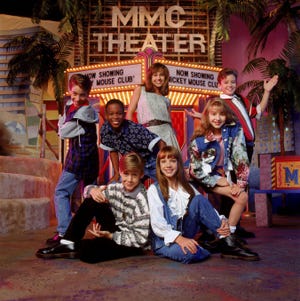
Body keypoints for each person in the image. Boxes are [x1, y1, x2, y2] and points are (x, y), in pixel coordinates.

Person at [147, 145, 259, 263]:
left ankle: (227, 241)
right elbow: (157, 224)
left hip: (186, 231)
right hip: (165, 240)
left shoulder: (186, 186)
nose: (168, 165)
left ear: (178, 164)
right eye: (163, 162)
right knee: (191, 254)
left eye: (172, 161)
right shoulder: (154, 189)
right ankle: (207, 247)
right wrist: (180, 239)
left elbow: (204, 206)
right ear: (159, 166)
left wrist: (221, 221)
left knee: (198, 199)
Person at [36, 152, 150, 263]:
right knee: (93, 199)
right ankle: (67, 242)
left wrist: (110, 236)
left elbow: (140, 238)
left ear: (141, 175)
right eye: (126, 174)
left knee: (89, 255)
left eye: (134, 175)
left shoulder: (142, 200)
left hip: (133, 243)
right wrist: (93, 190)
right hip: (116, 230)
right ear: (120, 172)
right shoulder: (117, 188)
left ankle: (79, 247)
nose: (129, 179)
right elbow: (87, 191)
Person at [189, 98, 254, 242]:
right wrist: (217, 180)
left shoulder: (234, 131)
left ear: (226, 115)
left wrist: (240, 183)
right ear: (207, 116)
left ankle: (227, 235)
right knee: (215, 205)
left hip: (226, 176)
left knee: (242, 196)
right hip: (204, 178)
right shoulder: (199, 139)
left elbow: (241, 157)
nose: (217, 118)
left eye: (221, 114)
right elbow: (195, 170)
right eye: (213, 114)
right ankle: (224, 236)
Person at [46, 74, 99, 246]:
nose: (77, 98)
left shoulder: (86, 112)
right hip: (80, 155)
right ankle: (71, 233)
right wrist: (64, 121)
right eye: (74, 94)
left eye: (82, 95)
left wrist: (63, 123)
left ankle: (65, 234)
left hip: (81, 158)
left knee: (62, 192)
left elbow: (63, 132)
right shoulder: (71, 106)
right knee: (89, 195)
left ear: (88, 94)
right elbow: (65, 127)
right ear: (69, 90)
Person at [100, 98, 166, 183]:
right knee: (116, 186)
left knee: (167, 188)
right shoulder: (105, 130)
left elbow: (161, 143)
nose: (115, 117)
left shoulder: (134, 129)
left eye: (119, 114)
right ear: (106, 115)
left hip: (152, 161)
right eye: (111, 114)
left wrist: (163, 163)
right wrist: (116, 173)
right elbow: (113, 151)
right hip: (134, 165)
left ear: (124, 115)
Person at [126, 62, 180, 150]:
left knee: (169, 162)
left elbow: (170, 122)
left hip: (167, 134)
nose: (158, 78)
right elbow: (129, 114)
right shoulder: (140, 89)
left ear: (165, 78)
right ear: (150, 77)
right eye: (155, 75)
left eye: (161, 75)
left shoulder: (166, 99)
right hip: (148, 132)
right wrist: (133, 134)